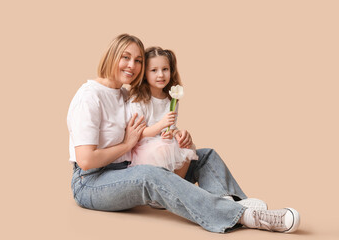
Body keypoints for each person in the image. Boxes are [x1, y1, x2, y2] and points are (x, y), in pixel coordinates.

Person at [67, 33, 300, 234]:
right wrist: (127, 144)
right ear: (111, 56)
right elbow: (86, 161)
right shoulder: (89, 97)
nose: (132, 65)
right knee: (151, 174)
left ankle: (232, 203)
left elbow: (150, 131)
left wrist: (180, 139)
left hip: (128, 170)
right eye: (125, 57)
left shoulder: (125, 94)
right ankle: (245, 217)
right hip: (92, 182)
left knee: (204, 155)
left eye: (138, 60)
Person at [127, 47, 198, 176]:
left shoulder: (171, 99)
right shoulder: (138, 100)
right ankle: (166, 190)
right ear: (144, 74)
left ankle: (179, 188)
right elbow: (139, 134)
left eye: (165, 69)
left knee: (187, 148)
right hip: (144, 146)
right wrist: (162, 125)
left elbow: (170, 128)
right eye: (154, 70)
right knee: (164, 149)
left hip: (163, 142)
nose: (161, 75)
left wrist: (175, 133)